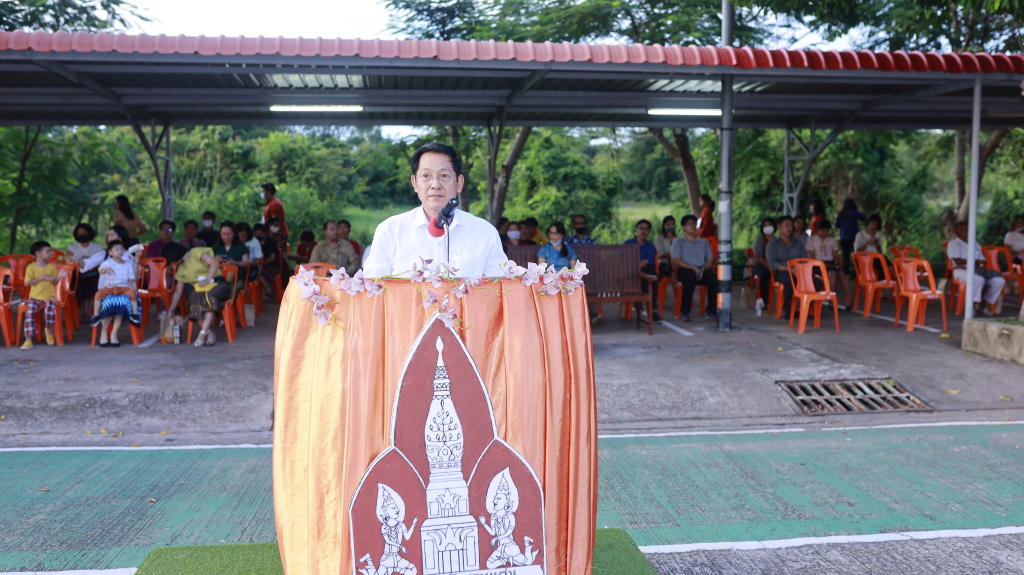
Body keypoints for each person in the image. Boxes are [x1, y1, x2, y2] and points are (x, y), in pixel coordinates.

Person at [363, 142, 506, 278]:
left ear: (459, 183)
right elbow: (374, 288)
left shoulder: (485, 233)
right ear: (414, 183)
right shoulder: (390, 231)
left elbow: (501, 288)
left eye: (444, 175)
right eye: (426, 175)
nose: (435, 185)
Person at [166, 246, 234, 347]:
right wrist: (171, 310)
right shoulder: (181, 269)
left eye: (173, 262)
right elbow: (178, 292)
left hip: (218, 284)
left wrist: (207, 280)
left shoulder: (195, 252)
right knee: (192, 302)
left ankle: (201, 335)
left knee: (208, 298)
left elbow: (215, 262)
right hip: (201, 291)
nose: (174, 264)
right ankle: (209, 332)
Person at [948, 221, 1006, 316]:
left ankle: (983, 305)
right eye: (962, 230)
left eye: (966, 230)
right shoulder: (953, 244)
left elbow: (983, 262)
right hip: (961, 270)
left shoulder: (975, 244)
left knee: (999, 281)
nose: (965, 232)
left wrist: (980, 266)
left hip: (978, 270)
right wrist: (975, 262)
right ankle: (972, 306)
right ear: (955, 231)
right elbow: (957, 261)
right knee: (978, 279)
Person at [20, 241, 69, 350]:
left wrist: (60, 276)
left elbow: (54, 282)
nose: (50, 254)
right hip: (34, 297)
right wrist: (42, 277)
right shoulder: (31, 267)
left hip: (49, 297)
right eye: (47, 252)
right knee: (29, 313)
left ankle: (49, 330)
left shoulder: (51, 267)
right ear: (37, 253)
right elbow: (27, 283)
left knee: (50, 311)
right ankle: (28, 340)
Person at [767, 216, 816, 317]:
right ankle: (789, 311)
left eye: (791, 226)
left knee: (817, 282)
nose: (789, 228)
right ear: (779, 227)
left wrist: (800, 270)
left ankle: (803, 309)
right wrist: (790, 269)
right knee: (790, 280)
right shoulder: (773, 244)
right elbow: (772, 263)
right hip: (781, 272)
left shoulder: (798, 244)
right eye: (786, 225)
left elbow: (805, 260)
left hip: (798, 271)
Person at [671, 215, 717, 322]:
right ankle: (685, 311)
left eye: (694, 224)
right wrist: (692, 268)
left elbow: (710, 260)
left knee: (713, 278)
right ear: (684, 227)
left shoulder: (704, 242)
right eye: (690, 224)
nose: (693, 226)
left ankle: (711, 310)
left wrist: (703, 268)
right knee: (690, 277)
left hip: (702, 269)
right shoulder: (678, 242)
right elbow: (676, 260)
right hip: (685, 269)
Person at [92, 239, 141, 326]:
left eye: (121, 249)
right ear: (110, 252)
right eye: (117, 250)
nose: (120, 251)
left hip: (123, 287)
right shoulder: (108, 262)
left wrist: (130, 284)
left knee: (133, 294)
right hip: (109, 287)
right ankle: (96, 315)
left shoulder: (127, 264)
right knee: (98, 295)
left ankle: (134, 314)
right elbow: (100, 270)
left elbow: (131, 276)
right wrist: (106, 269)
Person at [806, 220, 852, 308]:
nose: (825, 233)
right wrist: (821, 264)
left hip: (831, 263)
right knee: (832, 273)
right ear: (818, 229)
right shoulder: (812, 240)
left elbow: (835, 253)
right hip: (818, 264)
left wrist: (836, 262)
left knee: (842, 274)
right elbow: (811, 256)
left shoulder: (831, 239)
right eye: (823, 231)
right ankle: (831, 299)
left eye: (827, 231)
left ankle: (850, 299)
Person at [624, 219, 661, 323]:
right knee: (651, 280)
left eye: (646, 229)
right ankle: (652, 311)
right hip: (630, 275)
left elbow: (652, 265)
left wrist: (643, 265)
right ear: (636, 230)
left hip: (645, 275)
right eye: (641, 228)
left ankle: (644, 306)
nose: (643, 231)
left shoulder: (651, 247)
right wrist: (637, 265)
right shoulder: (628, 244)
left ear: (649, 231)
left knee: (650, 273)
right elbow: (623, 265)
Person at [67, 223, 103, 322]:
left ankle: (89, 312)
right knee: (79, 286)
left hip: (94, 274)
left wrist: (89, 265)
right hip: (78, 276)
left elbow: (101, 263)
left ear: (89, 233)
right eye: (79, 233)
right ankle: (81, 313)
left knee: (95, 286)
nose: (81, 235)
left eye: (84, 233)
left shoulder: (98, 248)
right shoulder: (72, 248)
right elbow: (69, 263)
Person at [835, 197, 866, 280]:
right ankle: (860, 273)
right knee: (857, 256)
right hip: (854, 238)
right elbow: (864, 217)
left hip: (844, 238)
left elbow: (836, 224)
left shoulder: (841, 213)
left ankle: (847, 275)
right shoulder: (854, 213)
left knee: (845, 258)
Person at [751, 217, 777, 305]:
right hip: (760, 265)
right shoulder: (760, 240)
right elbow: (759, 257)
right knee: (764, 274)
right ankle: (764, 300)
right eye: (765, 226)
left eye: (769, 225)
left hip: (775, 265)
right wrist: (769, 267)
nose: (767, 227)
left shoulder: (777, 240)